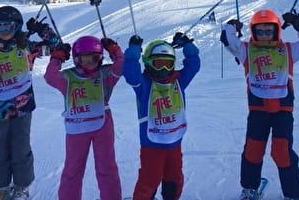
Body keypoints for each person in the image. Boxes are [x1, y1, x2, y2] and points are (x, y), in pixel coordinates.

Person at [220, 9, 299, 200]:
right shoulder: (246, 50)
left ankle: (294, 194)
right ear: (254, 32)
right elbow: (226, 38)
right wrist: (232, 26)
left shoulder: (288, 50)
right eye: (260, 31)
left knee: (282, 151)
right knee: (253, 150)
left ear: (276, 31)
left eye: (268, 31)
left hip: (283, 111)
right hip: (258, 110)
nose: (264, 36)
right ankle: (249, 188)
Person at [44, 35, 123, 200]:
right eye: (84, 59)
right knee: (73, 169)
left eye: (94, 59)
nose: (89, 64)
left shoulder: (104, 75)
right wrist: (57, 57)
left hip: (102, 126)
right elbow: (50, 76)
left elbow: (121, 66)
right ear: (76, 59)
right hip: (77, 128)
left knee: (106, 167)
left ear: (100, 59)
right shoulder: (68, 78)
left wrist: (114, 50)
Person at [123, 32, 200, 200]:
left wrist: (187, 44)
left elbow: (194, 65)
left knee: (174, 178)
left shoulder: (178, 82)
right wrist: (134, 51)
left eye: (168, 64)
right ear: (149, 63)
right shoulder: (144, 85)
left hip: (174, 142)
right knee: (149, 180)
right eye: (159, 64)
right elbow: (130, 73)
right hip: (151, 144)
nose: (164, 70)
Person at [0, 6, 59, 200]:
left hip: (23, 107)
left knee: (20, 146)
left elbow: (56, 47)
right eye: (0, 27)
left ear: (17, 27)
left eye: (9, 27)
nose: (4, 31)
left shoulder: (26, 47)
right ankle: (1, 186)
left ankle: (21, 186)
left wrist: (41, 29)